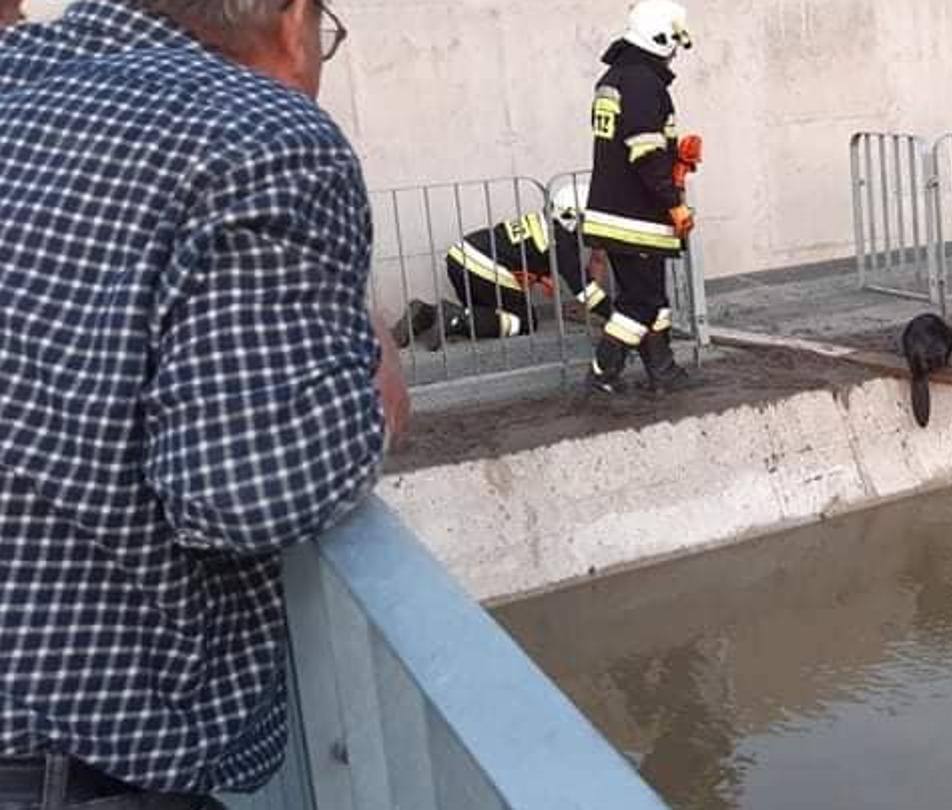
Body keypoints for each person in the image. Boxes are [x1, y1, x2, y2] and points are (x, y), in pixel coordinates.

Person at [0, 0, 405, 806]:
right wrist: (373, 383)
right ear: (293, 21)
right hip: (67, 767)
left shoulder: (19, 80)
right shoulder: (259, 133)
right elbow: (244, 493)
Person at [582, 0, 703, 394]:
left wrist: (676, 156)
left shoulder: (615, 78)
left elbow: (636, 145)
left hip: (617, 212)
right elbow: (645, 152)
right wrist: (675, 202)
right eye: (673, 44)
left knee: (651, 295)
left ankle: (663, 370)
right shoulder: (643, 83)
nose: (674, 55)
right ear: (662, 38)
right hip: (636, 216)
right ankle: (603, 372)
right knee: (640, 302)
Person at [392, 177, 615, 351]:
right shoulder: (562, 241)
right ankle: (456, 320)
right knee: (525, 322)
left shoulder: (546, 223)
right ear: (572, 215)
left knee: (493, 313)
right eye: (587, 219)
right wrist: (615, 317)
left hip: (462, 256)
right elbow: (584, 289)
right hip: (484, 264)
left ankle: (425, 313)